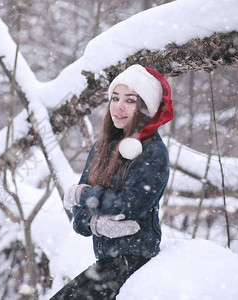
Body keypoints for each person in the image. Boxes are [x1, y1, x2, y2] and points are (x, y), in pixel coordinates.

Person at [51, 64, 174, 299]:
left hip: (135, 260)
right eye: (115, 97)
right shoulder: (100, 148)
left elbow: (128, 206)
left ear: (145, 108)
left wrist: (83, 195)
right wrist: (96, 224)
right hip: (107, 262)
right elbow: (78, 219)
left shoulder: (153, 152)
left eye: (130, 100)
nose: (118, 106)